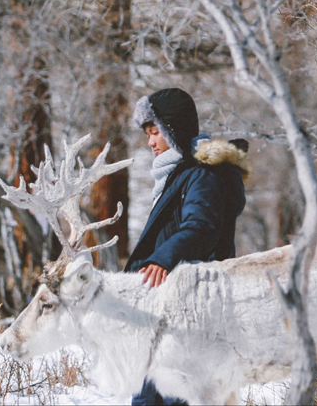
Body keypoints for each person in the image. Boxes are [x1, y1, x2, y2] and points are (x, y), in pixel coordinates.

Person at [125, 88, 248, 405]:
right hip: (169, 296)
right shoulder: (176, 174)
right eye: (148, 134)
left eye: (155, 133)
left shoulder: (200, 175)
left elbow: (201, 226)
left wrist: (163, 259)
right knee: (151, 388)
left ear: (173, 130)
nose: (150, 142)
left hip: (192, 299)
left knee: (175, 392)